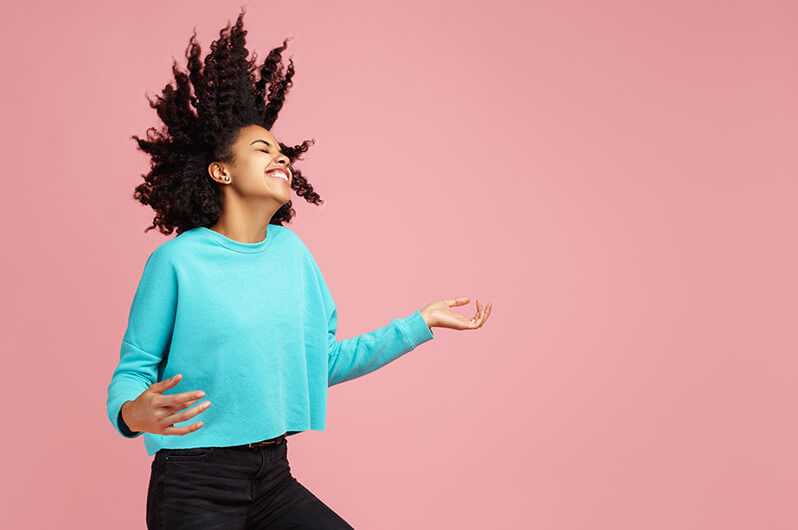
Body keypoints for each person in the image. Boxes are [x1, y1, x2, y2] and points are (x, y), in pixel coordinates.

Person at [105, 8, 492, 530]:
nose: (282, 158)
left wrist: (419, 324)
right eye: (262, 148)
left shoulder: (293, 255)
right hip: (194, 482)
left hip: (272, 475)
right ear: (220, 171)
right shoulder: (177, 261)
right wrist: (132, 415)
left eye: (284, 152)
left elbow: (321, 362)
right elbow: (135, 367)